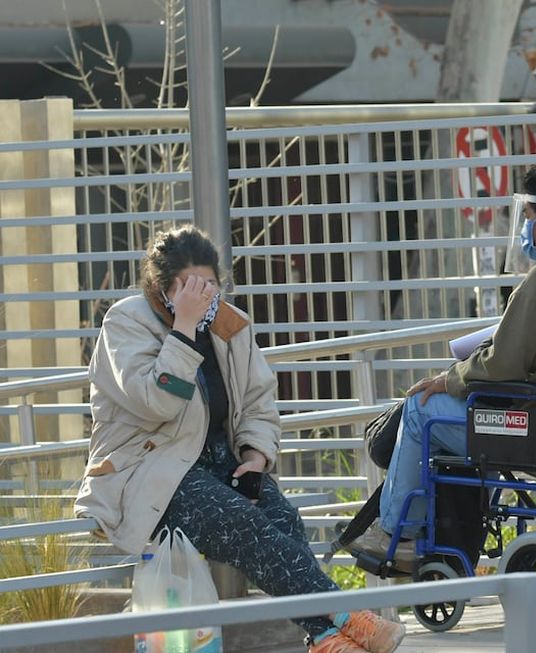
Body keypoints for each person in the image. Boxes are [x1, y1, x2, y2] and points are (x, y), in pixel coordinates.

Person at [74, 226, 404, 653]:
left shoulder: (228, 323)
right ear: (161, 288)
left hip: (218, 462)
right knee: (244, 523)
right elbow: (159, 401)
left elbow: (257, 401)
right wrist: (186, 328)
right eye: (189, 286)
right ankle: (343, 614)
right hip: (149, 473)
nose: (203, 295)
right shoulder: (126, 321)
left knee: (283, 517)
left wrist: (254, 454)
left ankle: (324, 637)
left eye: (210, 284)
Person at [348, 162, 536, 568]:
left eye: (528, 215)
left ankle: (398, 531)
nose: (525, 226)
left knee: (420, 410)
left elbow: (504, 363)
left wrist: (449, 379)